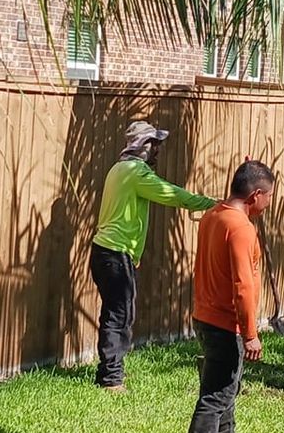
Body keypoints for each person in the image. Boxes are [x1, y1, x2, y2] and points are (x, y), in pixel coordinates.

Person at [89, 120, 217, 391]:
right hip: (115, 254)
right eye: (154, 144)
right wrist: (212, 204)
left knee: (114, 312)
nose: (158, 149)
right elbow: (172, 195)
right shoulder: (137, 172)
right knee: (119, 315)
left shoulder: (118, 169)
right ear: (141, 146)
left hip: (103, 252)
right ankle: (111, 380)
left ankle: (108, 373)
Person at [181, 159, 276, 433]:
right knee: (217, 392)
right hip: (225, 322)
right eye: (269, 198)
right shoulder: (240, 228)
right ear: (256, 194)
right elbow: (242, 286)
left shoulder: (213, 215)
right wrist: (250, 333)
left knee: (227, 384)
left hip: (204, 316)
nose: (268, 204)